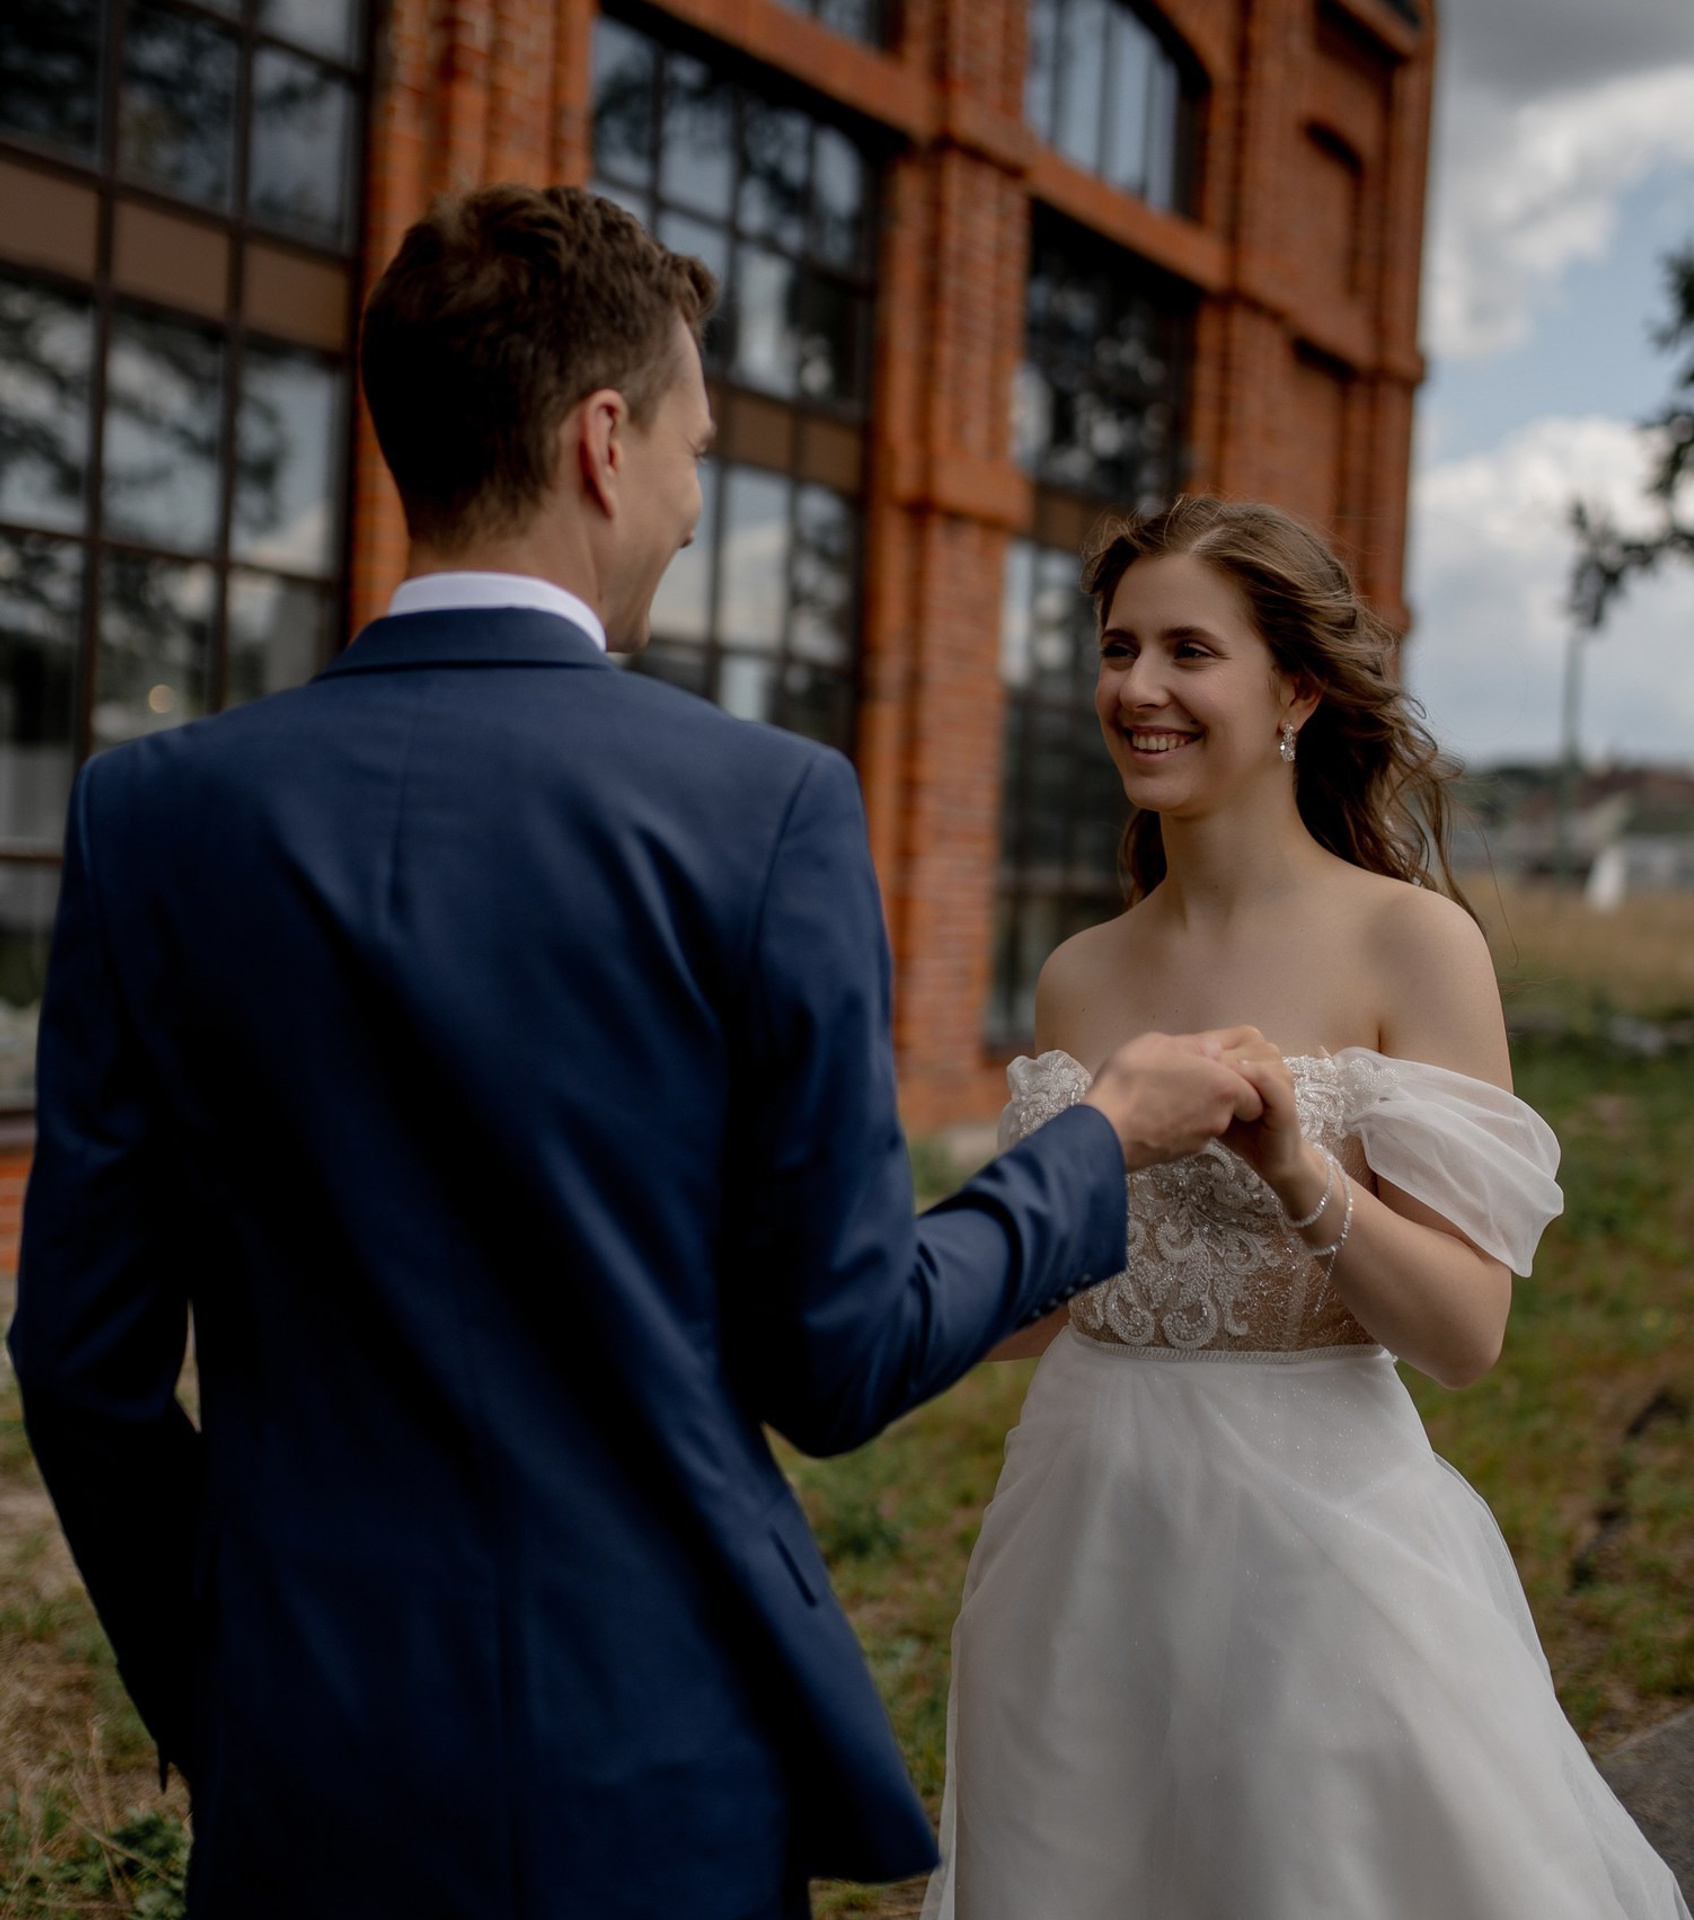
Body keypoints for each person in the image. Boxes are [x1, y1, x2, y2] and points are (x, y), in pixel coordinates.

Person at [5, 187, 1273, 1920]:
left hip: (300, 1760)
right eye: (694, 444)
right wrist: (1097, 1146)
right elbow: (837, 1358)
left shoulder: (154, 815)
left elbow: (81, 1366)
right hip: (649, 1762)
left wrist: (225, 1688)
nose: (692, 502)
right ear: (605, 441)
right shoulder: (762, 813)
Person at [923, 497, 1693, 1920]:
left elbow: (1464, 1336)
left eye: (1187, 652)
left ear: (1295, 691)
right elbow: (1070, 1288)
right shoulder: (1080, 976)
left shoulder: (1413, 943)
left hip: (1319, 1544)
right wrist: (872, 1307)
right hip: (1078, 1527)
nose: (1138, 689)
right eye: (1118, 648)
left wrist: (1297, 1168)